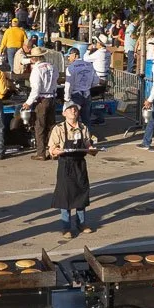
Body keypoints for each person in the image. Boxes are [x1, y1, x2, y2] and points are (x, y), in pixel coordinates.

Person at [48, 100, 98, 238]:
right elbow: (52, 149)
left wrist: (92, 149)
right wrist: (57, 151)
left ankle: (81, 223)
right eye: (70, 109)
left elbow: (88, 144)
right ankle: (66, 227)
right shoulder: (58, 129)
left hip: (80, 164)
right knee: (65, 196)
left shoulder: (83, 128)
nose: (73, 111)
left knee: (82, 194)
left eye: (75, 109)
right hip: (66, 165)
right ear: (64, 113)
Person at [22, 46, 58, 160]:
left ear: (33, 58)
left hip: (42, 100)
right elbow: (56, 79)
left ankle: (41, 153)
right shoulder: (52, 66)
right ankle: (53, 150)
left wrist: (28, 102)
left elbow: (36, 89)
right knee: (51, 126)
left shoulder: (36, 70)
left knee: (40, 126)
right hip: (52, 97)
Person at [62, 46, 97, 115]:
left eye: (69, 56)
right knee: (86, 119)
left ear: (74, 55)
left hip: (76, 95)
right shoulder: (89, 65)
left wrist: (67, 98)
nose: (68, 58)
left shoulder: (71, 67)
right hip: (87, 93)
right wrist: (88, 87)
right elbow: (96, 80)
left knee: (73, 118)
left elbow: (69, 84)